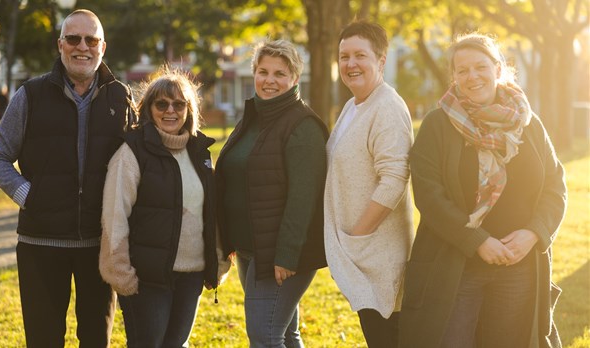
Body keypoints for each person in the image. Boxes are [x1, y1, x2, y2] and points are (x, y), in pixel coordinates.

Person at [399, 33, 567, 348]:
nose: (472, 76)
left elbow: (555, 186)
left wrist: (532, 233)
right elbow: (429, 195)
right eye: (462, 70)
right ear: (454, 77)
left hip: (518, 264)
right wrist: (477, 241)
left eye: (480, 66)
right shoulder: (437, 125)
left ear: (498, 68)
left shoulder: (529, 124)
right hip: (455, 265)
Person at [0, 9, 135, 347]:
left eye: (91, 39)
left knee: (96, 340)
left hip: (99, 247)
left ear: (102, 47)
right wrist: (29, 196)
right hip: (40, 245)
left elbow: (139, 162)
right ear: (60, 44)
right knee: (43, 340)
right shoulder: (31, 95)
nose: (82, 46)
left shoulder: (121, 97)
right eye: (73, 38)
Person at [99, 66, 231, 348]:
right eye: (162, 103)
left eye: (179, 104)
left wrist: (217, 259)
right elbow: (115, 214)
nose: (170, 110)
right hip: (147, 279)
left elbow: (212, 213)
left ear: (189, 109)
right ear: (148, 108)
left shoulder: (200, 153)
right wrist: (120, 272)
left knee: (176, 344)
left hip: (192, 276)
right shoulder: (132, 152)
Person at [215, 39, 328, 347]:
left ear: (294, 78)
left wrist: (286, 255)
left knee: (264, 335)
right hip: (251, 249)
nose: (269, 80)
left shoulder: (303, 126)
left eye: (280, 73)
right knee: (285, 334)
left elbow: (303, 198)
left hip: (281, 255)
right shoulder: (254, 117)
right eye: (263, 71)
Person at [324, 20, 415, 347]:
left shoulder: (386, 107)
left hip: (380, 256)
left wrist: (357, 236)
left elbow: (394, 180)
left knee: (387, 338)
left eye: (359, 55)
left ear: (381, 60)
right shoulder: (353, 105)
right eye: (343, 56)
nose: (350, 64)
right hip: (362, 255)